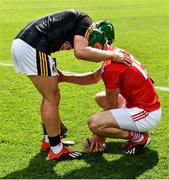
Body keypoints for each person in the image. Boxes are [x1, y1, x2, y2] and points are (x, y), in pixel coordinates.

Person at [11, 9, 132, 161]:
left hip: (28, 45)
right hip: (33, 46)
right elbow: (81, 52)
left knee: (50, 96)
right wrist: (113, 55)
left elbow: (94, 77)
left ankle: (49, 141)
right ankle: (57, 150)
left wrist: (66, 77)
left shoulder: (80, 27)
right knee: (52, 97)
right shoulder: (85, 21)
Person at [58, 29, 162, 154]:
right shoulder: (115, 53)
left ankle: (139, 138)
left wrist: (98, 136)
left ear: (96, 46)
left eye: (85, 49)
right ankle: (134, 129)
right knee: (100, 97)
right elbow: (93, 78)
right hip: (140, 104)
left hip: (147, 113)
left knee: (94, 123)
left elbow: (111, 106)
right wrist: (63, 77)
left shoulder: (111, 67)